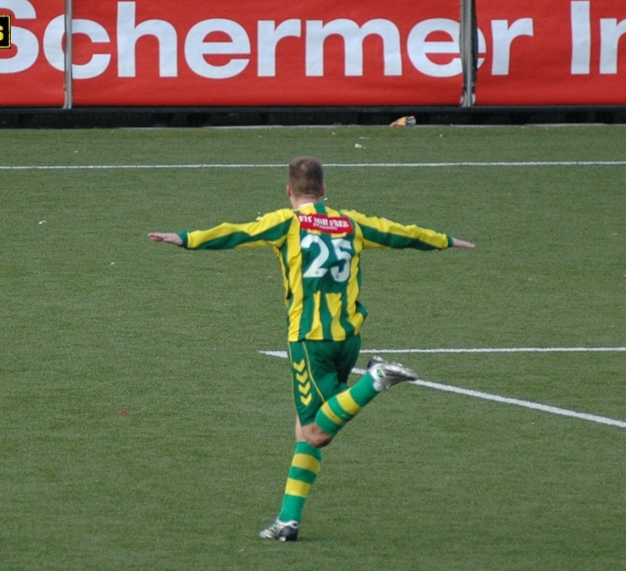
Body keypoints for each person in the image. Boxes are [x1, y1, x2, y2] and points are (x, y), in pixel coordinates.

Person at [149, 156, 475, 542]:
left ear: (289, 191)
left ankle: (376, 379)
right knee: (304, 433)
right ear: (323, 191)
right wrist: (446, 240)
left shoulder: (286, 222)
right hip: (347, 338)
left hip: (309, 341)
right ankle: (288, 521)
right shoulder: (351, 223)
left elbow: (237, 233)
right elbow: (400, 233)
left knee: (316, 432)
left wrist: (186, 238)